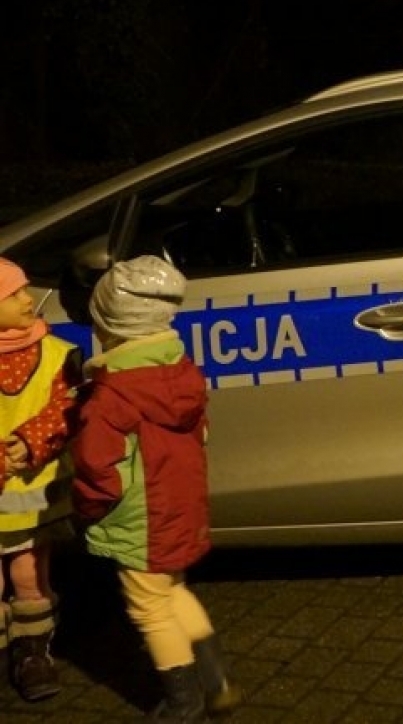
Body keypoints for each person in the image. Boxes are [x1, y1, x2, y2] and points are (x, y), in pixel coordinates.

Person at [71, 255, 241, 721]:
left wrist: (87, 510)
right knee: (173, 590)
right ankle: (216, 679)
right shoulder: (182, 373)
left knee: (149, 608)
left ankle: (183, 702)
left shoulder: (110, 398)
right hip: (179, 505)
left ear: (110, 327)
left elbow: (95, 468)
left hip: (139, 520)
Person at [0, 258, 82, 702]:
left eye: (24, 290)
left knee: (29, 574)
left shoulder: (55, 353)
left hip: (31, 495)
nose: (27, 299)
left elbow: (65, 408)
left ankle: (32, 653)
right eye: (12, 295)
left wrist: (33, 440)